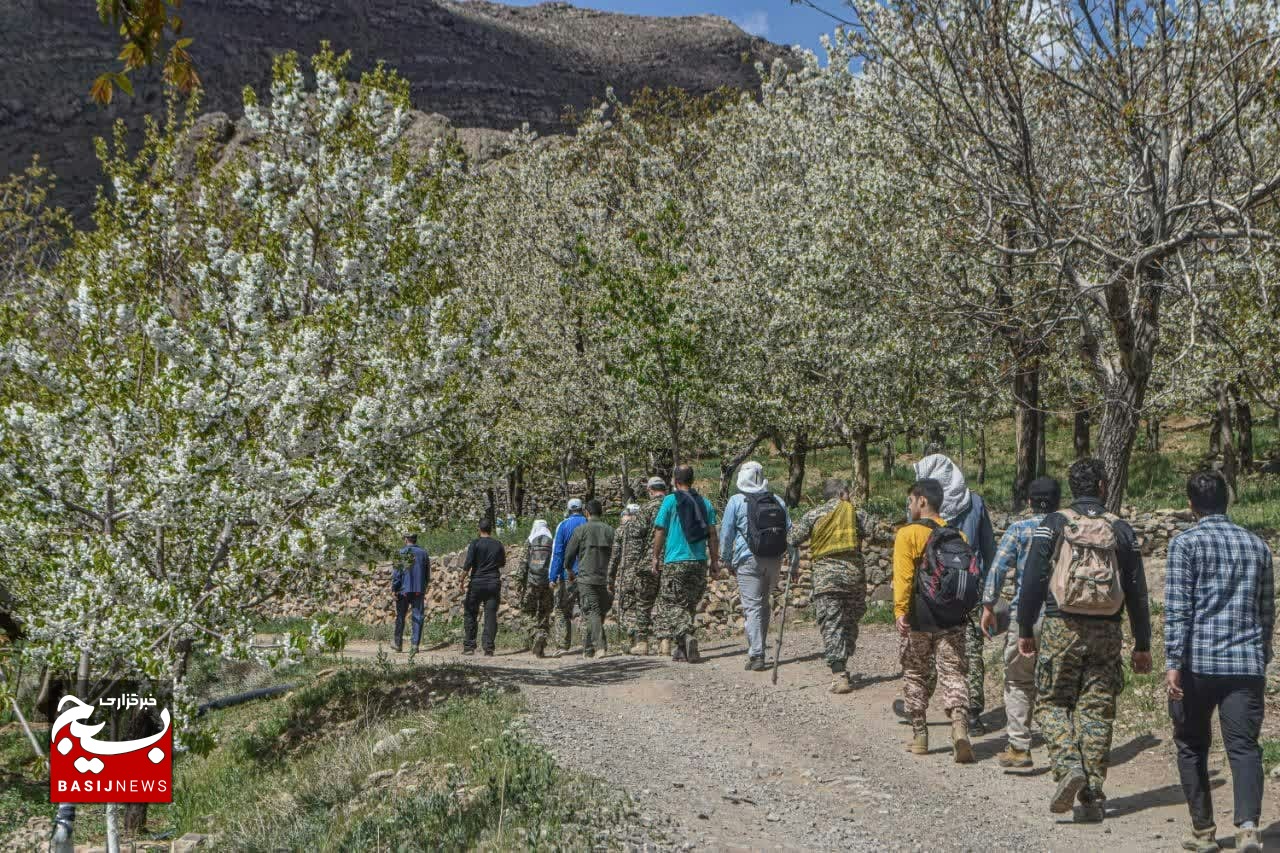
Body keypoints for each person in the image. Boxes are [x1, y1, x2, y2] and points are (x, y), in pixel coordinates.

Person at [1017, 457, 1152, 823]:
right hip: (1108, 630)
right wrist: (1143, 643)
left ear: (1072, 487)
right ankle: (1092, 796)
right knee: (1097, 710)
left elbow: (1032, 578)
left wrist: (1025, 627)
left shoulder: (1055, 523)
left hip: (1062, 626)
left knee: (1051, 703)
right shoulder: (1120, 529)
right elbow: (1137, 591)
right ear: (1104, 487)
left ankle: (1067, 764)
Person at [1165, 472, 1274, 853]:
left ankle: (1203, 831)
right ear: (1227, 500)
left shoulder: (1185, 544)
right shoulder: (1257, 545)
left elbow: (1179, 609)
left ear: (1191, 504)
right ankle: (1247, 828)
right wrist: (1262, 656)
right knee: (1244, 747)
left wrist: (1172, 662)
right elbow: (1266, 612)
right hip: (1245, 664)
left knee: (1191, 744)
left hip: (1197, 664)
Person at [980, 476, 1061, 768]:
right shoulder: (1066, 528)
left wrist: (988, 606)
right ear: (1058, 502)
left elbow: (998, 569)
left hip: (1023, 617)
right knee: (1058, 683)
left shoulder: (1019, 529)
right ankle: (1062, 748)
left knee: (1017, 679)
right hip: (1061, 619)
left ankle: (1019, 746)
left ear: (1028, 502)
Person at [914, 453, 997, 734]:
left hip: (931, 587)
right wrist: (988, 591)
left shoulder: (922, 503)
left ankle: (919, 707)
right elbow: (989, 549)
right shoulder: (975, 502)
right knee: (971, 650)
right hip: (969, 586)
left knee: (925, 646)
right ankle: (972, 714)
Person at [894, 478, 974, 763]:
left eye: (911, 501)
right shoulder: (957, 536)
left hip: (919, 615)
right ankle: (960, 728)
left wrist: (900, 611)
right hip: (952, 615)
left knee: (915, 672)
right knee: (953, 672)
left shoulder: (907, 534)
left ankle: (920, 737)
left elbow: (903, 577)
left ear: (922, 501)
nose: (909, 506)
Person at [787, 478, 873, 692]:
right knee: (850, 621)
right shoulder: (853, 512)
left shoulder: (814, 515)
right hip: (854, 578)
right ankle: (843, 659)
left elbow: (792, 537)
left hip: (826, 579)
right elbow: (878, 531)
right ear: (843, 493)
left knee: (832, 623)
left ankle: (839, 672)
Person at [720, 462, 793, 673]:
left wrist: (726, 559)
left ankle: (757, 653)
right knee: (764, 605)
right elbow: (790, 530)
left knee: (752, 607)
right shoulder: (777, 500)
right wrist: (792, 560)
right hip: (774, 559)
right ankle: (757, 648)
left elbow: (726, 533)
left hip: (748, 559)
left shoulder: (736, 501)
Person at [652, 464, 719, 663]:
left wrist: (655, 556)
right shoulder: (705, 503)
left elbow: (660, 530)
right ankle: (683, 649)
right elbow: (713, 534)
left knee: (669, 602)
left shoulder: (670, 501)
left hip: (675, 560)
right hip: (698, 560)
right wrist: (714, 560)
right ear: (692, 480)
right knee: (688, 603)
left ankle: (686, 635)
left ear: (675, 480)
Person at [620, 477, 669, 654]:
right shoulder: (673, 506)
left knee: (643, 602)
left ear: (650, 491)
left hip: (648, 563)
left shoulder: (646, 508)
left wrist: (632, 567)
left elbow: (635, 538)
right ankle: (665, 642)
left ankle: (642, 643)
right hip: (671, 560)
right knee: (665, 602)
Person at [563, 499, 616, 658]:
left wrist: (569, 569)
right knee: (596, 612)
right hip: (603, 578)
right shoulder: (610, 530)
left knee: (591, 611)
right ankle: (588, 648)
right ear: (601, 512)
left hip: (586, 578)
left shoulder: (581, 530)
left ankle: (600, 647)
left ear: (587, 512)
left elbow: (569, 554)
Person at [461, 518, 507, 656]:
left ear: (479, 529)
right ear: (491, 529)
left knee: (470, 613)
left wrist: (461, 580)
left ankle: (469, 646)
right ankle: (488, 648)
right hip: (493, 582)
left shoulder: (475, 544)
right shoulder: (498, 544)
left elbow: (468, 563)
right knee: (491, 615)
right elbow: (502, 563)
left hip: (477, 582)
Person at [549, 498, 588, 656]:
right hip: (588, 574)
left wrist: (553, 576)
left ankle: (563, 645)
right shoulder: (588, 522)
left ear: (568, 510)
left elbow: (558, 553)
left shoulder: (563, 526)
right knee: (586, 610)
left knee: (561, 610)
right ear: (582, 508)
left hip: (568, 575)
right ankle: (588, 645)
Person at [515, 519, 556, 658]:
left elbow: (523, 563)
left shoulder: (531, 540)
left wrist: (519, 582)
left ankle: (535, 633)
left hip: (531, 583)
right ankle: (541, 647)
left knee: (526, 612)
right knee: (544, 614)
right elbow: (556, 560)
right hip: (547, 583)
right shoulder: (552, 540)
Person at [606, 503, 643, 653]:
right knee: (642, 605)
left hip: (626, 574)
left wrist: (610, 576)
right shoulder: (646, 530)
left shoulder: (621, 531)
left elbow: (615, 556)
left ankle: (629, 639)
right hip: (644, 573)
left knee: (626, 606)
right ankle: (641, 640)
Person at [391, 533, 431, 653]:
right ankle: (415, 645)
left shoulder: (401, 553)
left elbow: (397, 574)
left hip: (403, 590)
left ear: (406, 539)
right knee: (418, 616)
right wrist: (424, 587)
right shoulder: (424, 553)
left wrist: (394, 588)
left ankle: (398, 644)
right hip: (418, 590)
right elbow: (427, 574)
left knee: (400, 616)